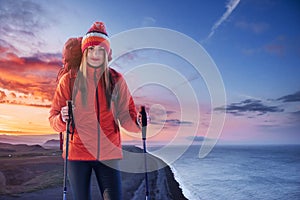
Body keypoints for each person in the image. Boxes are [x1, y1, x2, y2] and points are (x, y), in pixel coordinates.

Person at [49, 21, 141, 200]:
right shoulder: (69, 80)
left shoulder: (116, 79)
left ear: (107, 54)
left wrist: (139, 124)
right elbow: (53, 119)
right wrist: (62, 118)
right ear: (84, 52)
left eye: (101, 50)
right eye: (91, 50)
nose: (95, 54)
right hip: (77, 154)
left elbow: (126, 116)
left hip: (108, 154)